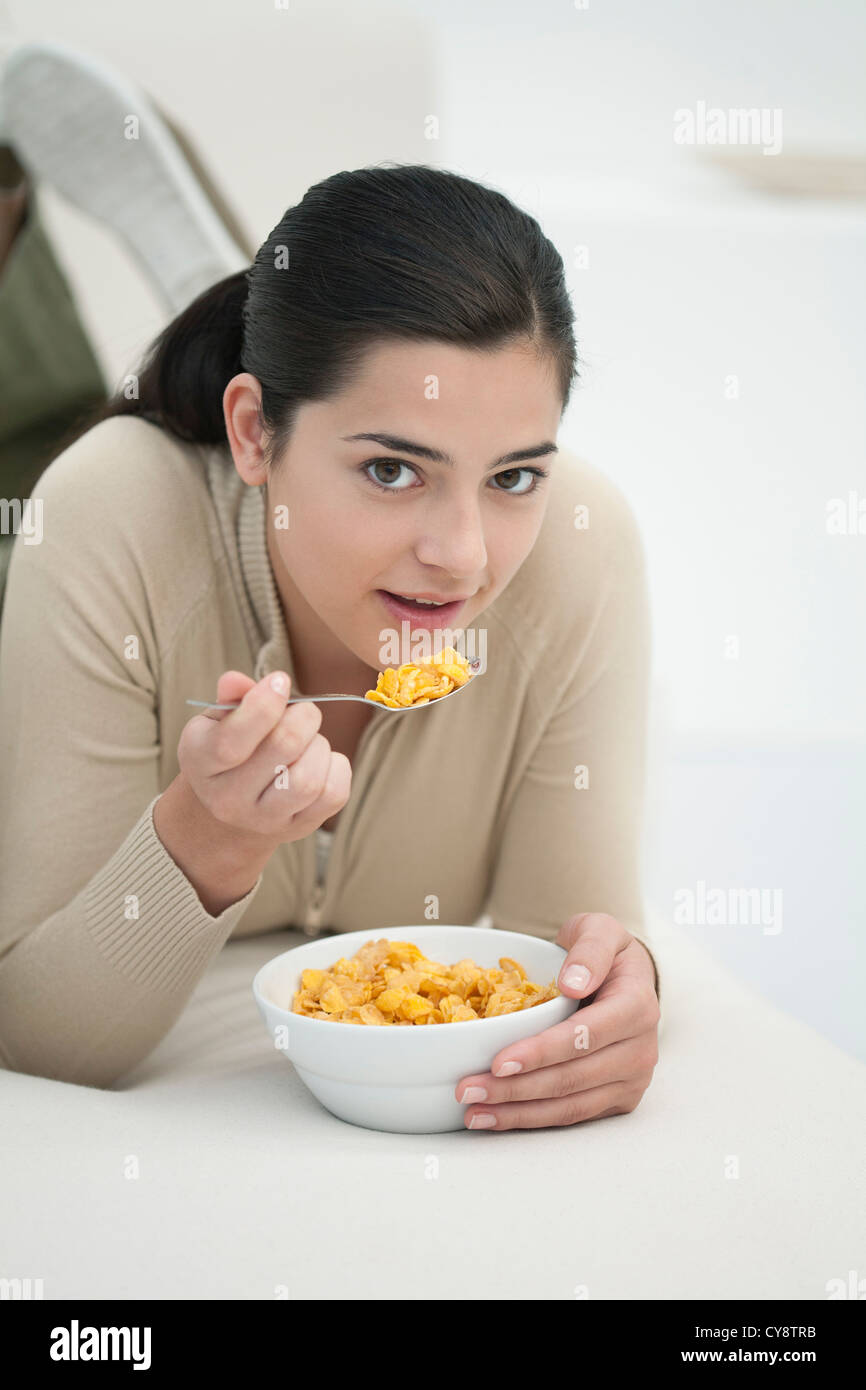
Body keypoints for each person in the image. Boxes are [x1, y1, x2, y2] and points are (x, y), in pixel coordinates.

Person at [0, 163, 661, 1129]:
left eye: (513, 478)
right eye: (392, 469)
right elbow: (41, 1033)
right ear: (255, 433)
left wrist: (623, 984)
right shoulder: (108, 509)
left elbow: (558, 945)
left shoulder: (581, 546)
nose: (462, 558)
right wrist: (210, 838)